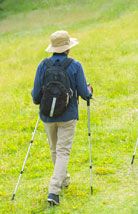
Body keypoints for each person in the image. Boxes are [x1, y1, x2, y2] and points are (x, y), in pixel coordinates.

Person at [31, 30, 93, 206]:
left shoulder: (43, 65)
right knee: (63, 151)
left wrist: (41, 102)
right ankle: (54, 190)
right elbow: (83, 93)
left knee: (54, 149)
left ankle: (64, 179)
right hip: (68, 115)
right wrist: (89, 92)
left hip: (47, 116)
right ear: (68, 49)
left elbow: (36, 94)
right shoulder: (75, 65)